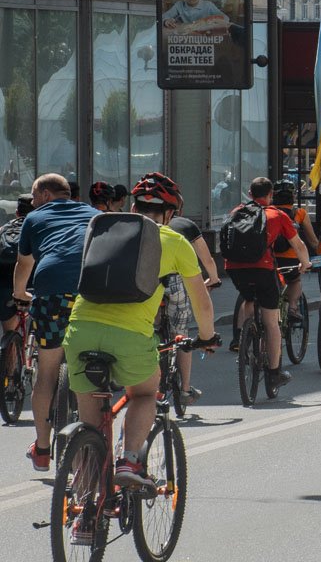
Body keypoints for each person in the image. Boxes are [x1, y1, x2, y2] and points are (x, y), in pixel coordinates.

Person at [62, 172, 219, 491]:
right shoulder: (174, 240)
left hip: (80, 331)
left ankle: (83, 513)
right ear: (171, 214)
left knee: (89, 423)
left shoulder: (101, 230)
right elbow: (200, 303)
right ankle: (130, 460)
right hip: (130, 337)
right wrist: (206, 336)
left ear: (134, 208)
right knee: (145, 393)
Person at [12, 174, 100, 470]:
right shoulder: (95, 214)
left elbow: (25, 263)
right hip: (91, 295)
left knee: (46, 371)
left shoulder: (34, 219)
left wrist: (19, 293)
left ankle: (42, 447)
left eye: (35, 196)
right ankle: (90, 445)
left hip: (51, 294)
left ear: (47, 195)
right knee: (86, 366)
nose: (33, 202)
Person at [226, 178, 312, 390]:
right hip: (262, 267)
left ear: (249, 192)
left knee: (248, 299)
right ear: (270, 194)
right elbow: (298, 244)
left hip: (234, 267)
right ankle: (274, 372)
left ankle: (245, 336)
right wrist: (305, 263)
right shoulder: (277, 214)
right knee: (272, 321)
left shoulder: (237, 211)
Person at [161, 200, 222, 406]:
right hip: (176, 282)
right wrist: (213, 279)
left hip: (150, 282)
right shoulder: (186, 226)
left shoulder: (142, 225)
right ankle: (185, 390)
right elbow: (207, 259)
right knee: (181, 333)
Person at [272, 180, 319, 324]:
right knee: (295, 280)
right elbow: (312, 240)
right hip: (291, 258)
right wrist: (320, 252)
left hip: (270, 257)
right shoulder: (299, 213)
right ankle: (292, 308)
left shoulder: (268, 212)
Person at [0, 196, 34, 337]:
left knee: (9, 330)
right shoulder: (39, 227)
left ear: (17, 212)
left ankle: (10, 348)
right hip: (32, 283)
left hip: (4, 284)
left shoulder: (4, 229)